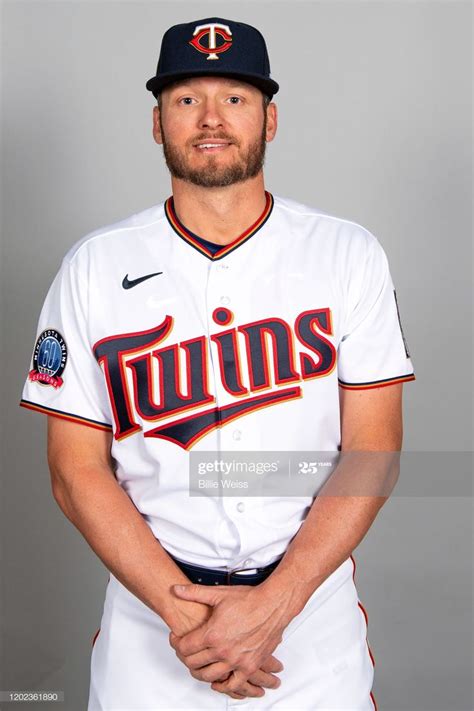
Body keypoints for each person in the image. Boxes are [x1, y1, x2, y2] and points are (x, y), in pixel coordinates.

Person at [19, 16, 415, 710]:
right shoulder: (94, 266)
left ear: (271, 117)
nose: (210, 118)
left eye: (234, 98)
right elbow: (73, 470)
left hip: (308, 618)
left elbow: (373, 449)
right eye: (185, 98)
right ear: (156, 121)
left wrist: (276, 604)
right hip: (153, 621)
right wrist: (188, 622)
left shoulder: (347, 253)